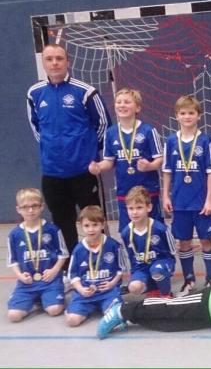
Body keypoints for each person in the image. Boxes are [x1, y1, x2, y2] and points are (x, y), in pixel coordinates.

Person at [27, 43, 112, 257]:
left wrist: (88, 152)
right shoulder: (34, 93)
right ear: (43, 63)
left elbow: (103, 125)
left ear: (68, 61)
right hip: (53, 172)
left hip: (83, 171)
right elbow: (36, 127)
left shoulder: (85, 92)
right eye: (49, 59)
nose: (54, 63)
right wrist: (52, 149)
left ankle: (102, 261)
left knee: (93, 218)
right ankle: (72, 265)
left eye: (59, 58)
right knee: (62, 221)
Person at [162, 95, 211, 295]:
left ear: (199, 115)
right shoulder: (171, 141)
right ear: (177, 116)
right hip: (180, 202)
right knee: (183, 242)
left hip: (201, 202)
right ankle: (189, 280)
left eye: (191, 113)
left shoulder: (206, 141)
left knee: (206, 240)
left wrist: (210, 199)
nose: (187, 116)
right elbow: (167, 171)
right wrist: (165, 196)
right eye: (183, 113)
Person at [89, 88, 163, 232]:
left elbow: (160, 160)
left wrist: (149, 166)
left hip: (147, 190)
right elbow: (109, 161)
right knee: (127, 231)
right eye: (119, 102)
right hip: (125, 191)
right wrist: (98, 167)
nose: (122, 105)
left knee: (153, 230)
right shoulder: (110, 133)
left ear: (138, 108)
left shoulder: (148, 131)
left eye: (127, 102)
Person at [7, 188, 69, 322]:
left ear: (42, 207)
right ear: (18, 209)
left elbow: (63, 254)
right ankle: (34, 298)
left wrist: (54, 271)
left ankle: (54, 293)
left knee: (54, 310)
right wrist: (20, 276)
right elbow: (12, 261)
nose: (30, 210)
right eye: (25, 207)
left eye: (34, 206)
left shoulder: (53, 229)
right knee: (13, 316)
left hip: (50, 280)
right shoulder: (14, 234)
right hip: (27, 283)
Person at [65, 205, 129, 327]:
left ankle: (108, 307)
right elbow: (72, 275)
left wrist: (112, 283)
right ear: (81, 226)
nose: (91, 229)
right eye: (87, 226)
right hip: (85, 295)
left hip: (108, 292)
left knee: (117, 321)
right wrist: (81, 289)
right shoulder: (78, 249)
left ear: (103, 224)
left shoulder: (113, 245)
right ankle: (84, 308)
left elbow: (121, 269)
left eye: (95, 225)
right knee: (72, 321)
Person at [120, 186, 176, 298]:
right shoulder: (126, 233)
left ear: (149, 207)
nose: (134, 212)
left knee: (157, 271)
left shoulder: (160, 229)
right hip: (141, 267)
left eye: (139, 207)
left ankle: (166, 294)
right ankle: (151, 289)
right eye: (131, 208)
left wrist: (167, 268)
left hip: (161, 263)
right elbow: (132, 258)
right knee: (133, 287)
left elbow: (172, 252)